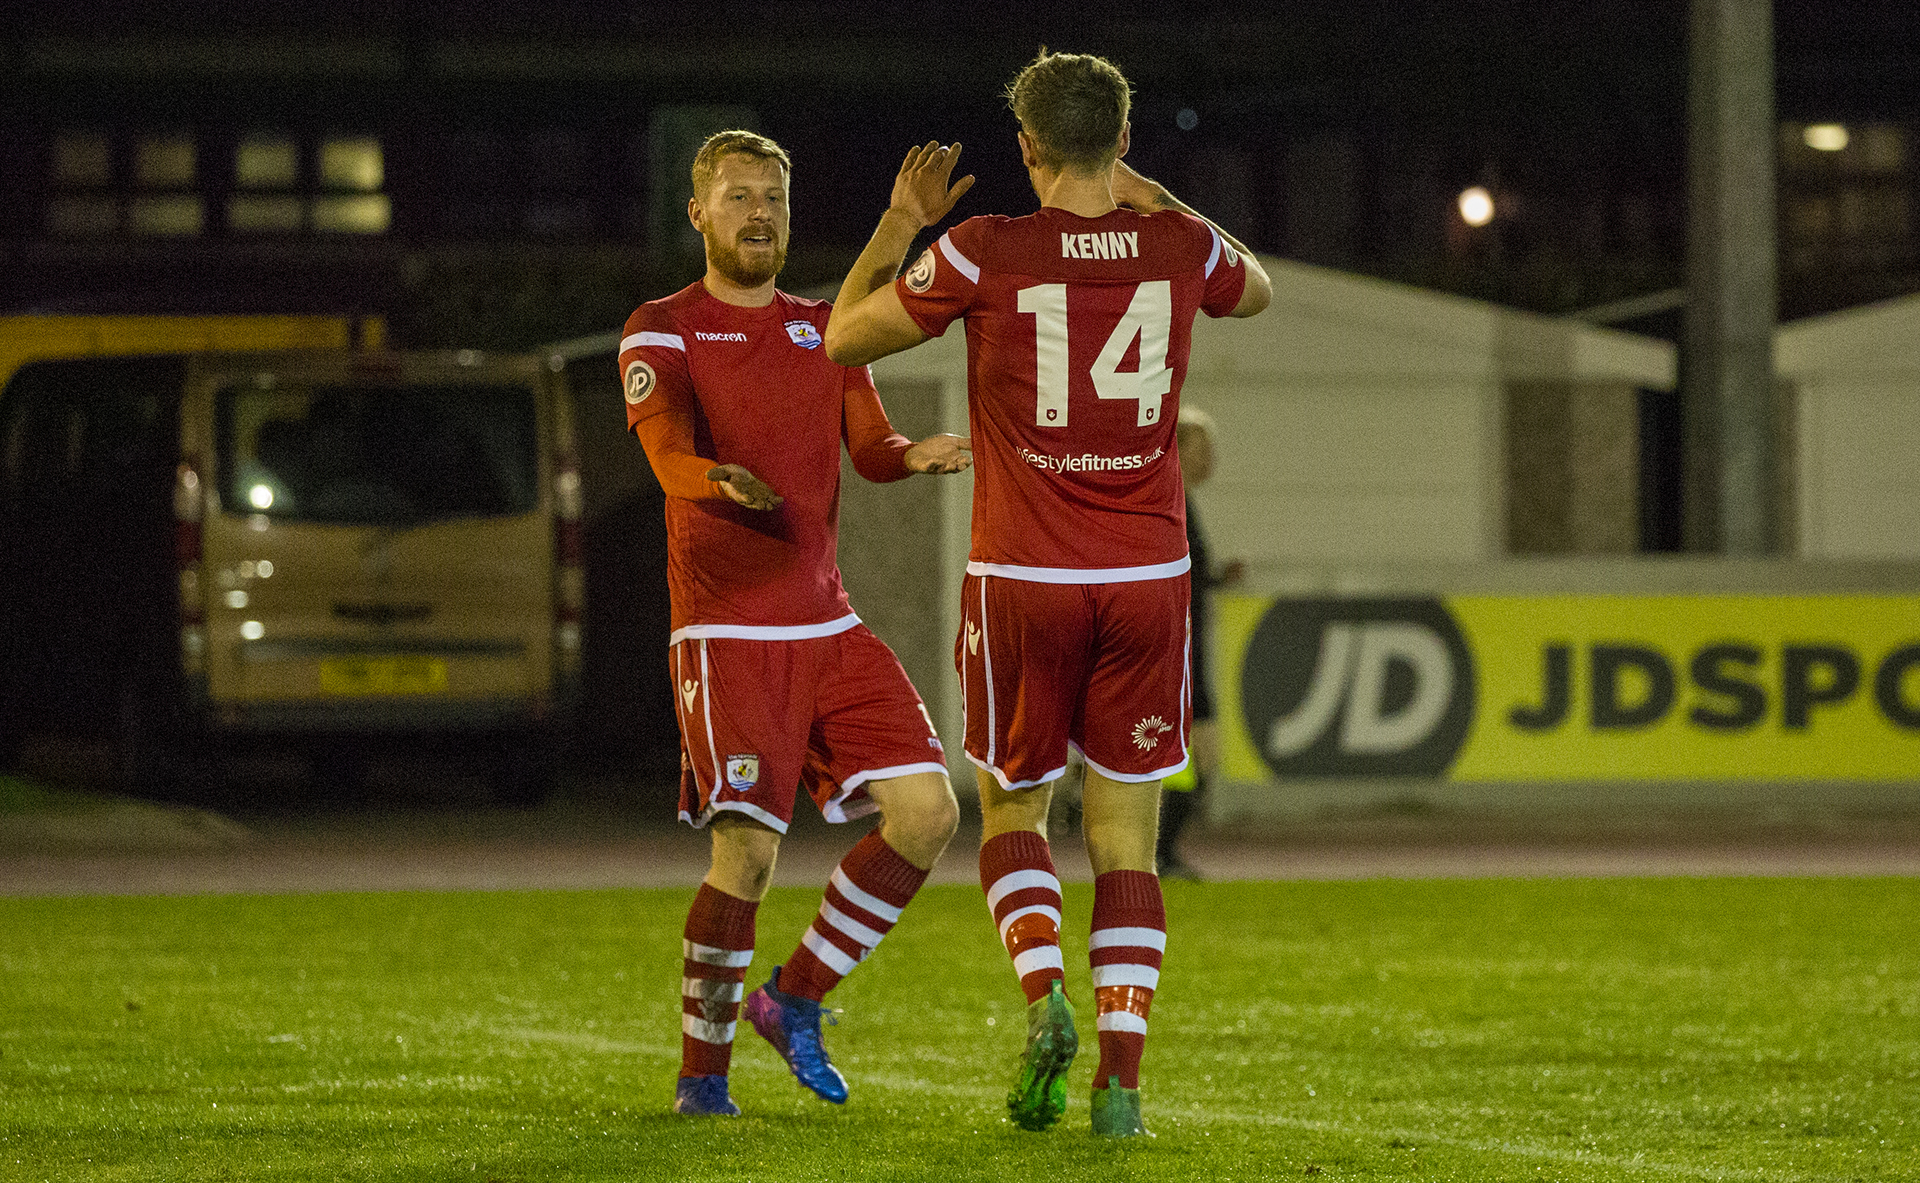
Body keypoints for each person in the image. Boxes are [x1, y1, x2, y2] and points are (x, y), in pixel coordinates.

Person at [824, 50, 1271, 1138]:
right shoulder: (1176, 243)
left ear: (1026, 148)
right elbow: (1256, 287)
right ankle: (1122, 1075)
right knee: (1127, 833)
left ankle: (1045, 997)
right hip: (1150, 578)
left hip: (1025, 575)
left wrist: (897, 229)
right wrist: (1153, 196)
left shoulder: (987, 251)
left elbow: (839, 339)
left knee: (1014, 808)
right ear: (1122, 141)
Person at [617, 130, 973, 1118]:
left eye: (772, 195)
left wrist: (913, 455)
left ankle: (794, 996)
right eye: (736, 196)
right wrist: (711, 480)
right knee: (748, 855)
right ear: (698, 215)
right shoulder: (662, 328)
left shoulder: (826, 329)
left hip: (827, 622)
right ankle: (702, 1079)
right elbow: (666, 454)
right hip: (727, 631)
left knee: (930, 811)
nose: (758, 211)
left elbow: (869, 447)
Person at [1156, 405, 1246, 881]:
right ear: (1180, 449)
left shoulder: (1181, 501)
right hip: (1176, 655)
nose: (1212, 459)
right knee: (1189, 758)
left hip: (1187, 652)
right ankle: (1159, 854)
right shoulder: (1167, 500)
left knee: (1192, 757)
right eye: (1204, 448)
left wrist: (1214, 577)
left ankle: (1162, 852)